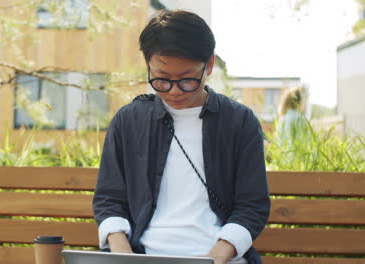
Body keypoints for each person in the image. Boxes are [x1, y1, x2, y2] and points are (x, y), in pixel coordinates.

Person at [93, 10, 270, 264]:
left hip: (218, 259)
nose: (174, 91)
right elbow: (109, 199)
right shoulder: (128, 121)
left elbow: (252, 206)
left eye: (187, 80)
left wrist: (216, 258)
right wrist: (123, 256)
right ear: (148, 66)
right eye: (162, 80)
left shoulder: (240, 122)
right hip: (142, 257)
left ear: (209, 65)